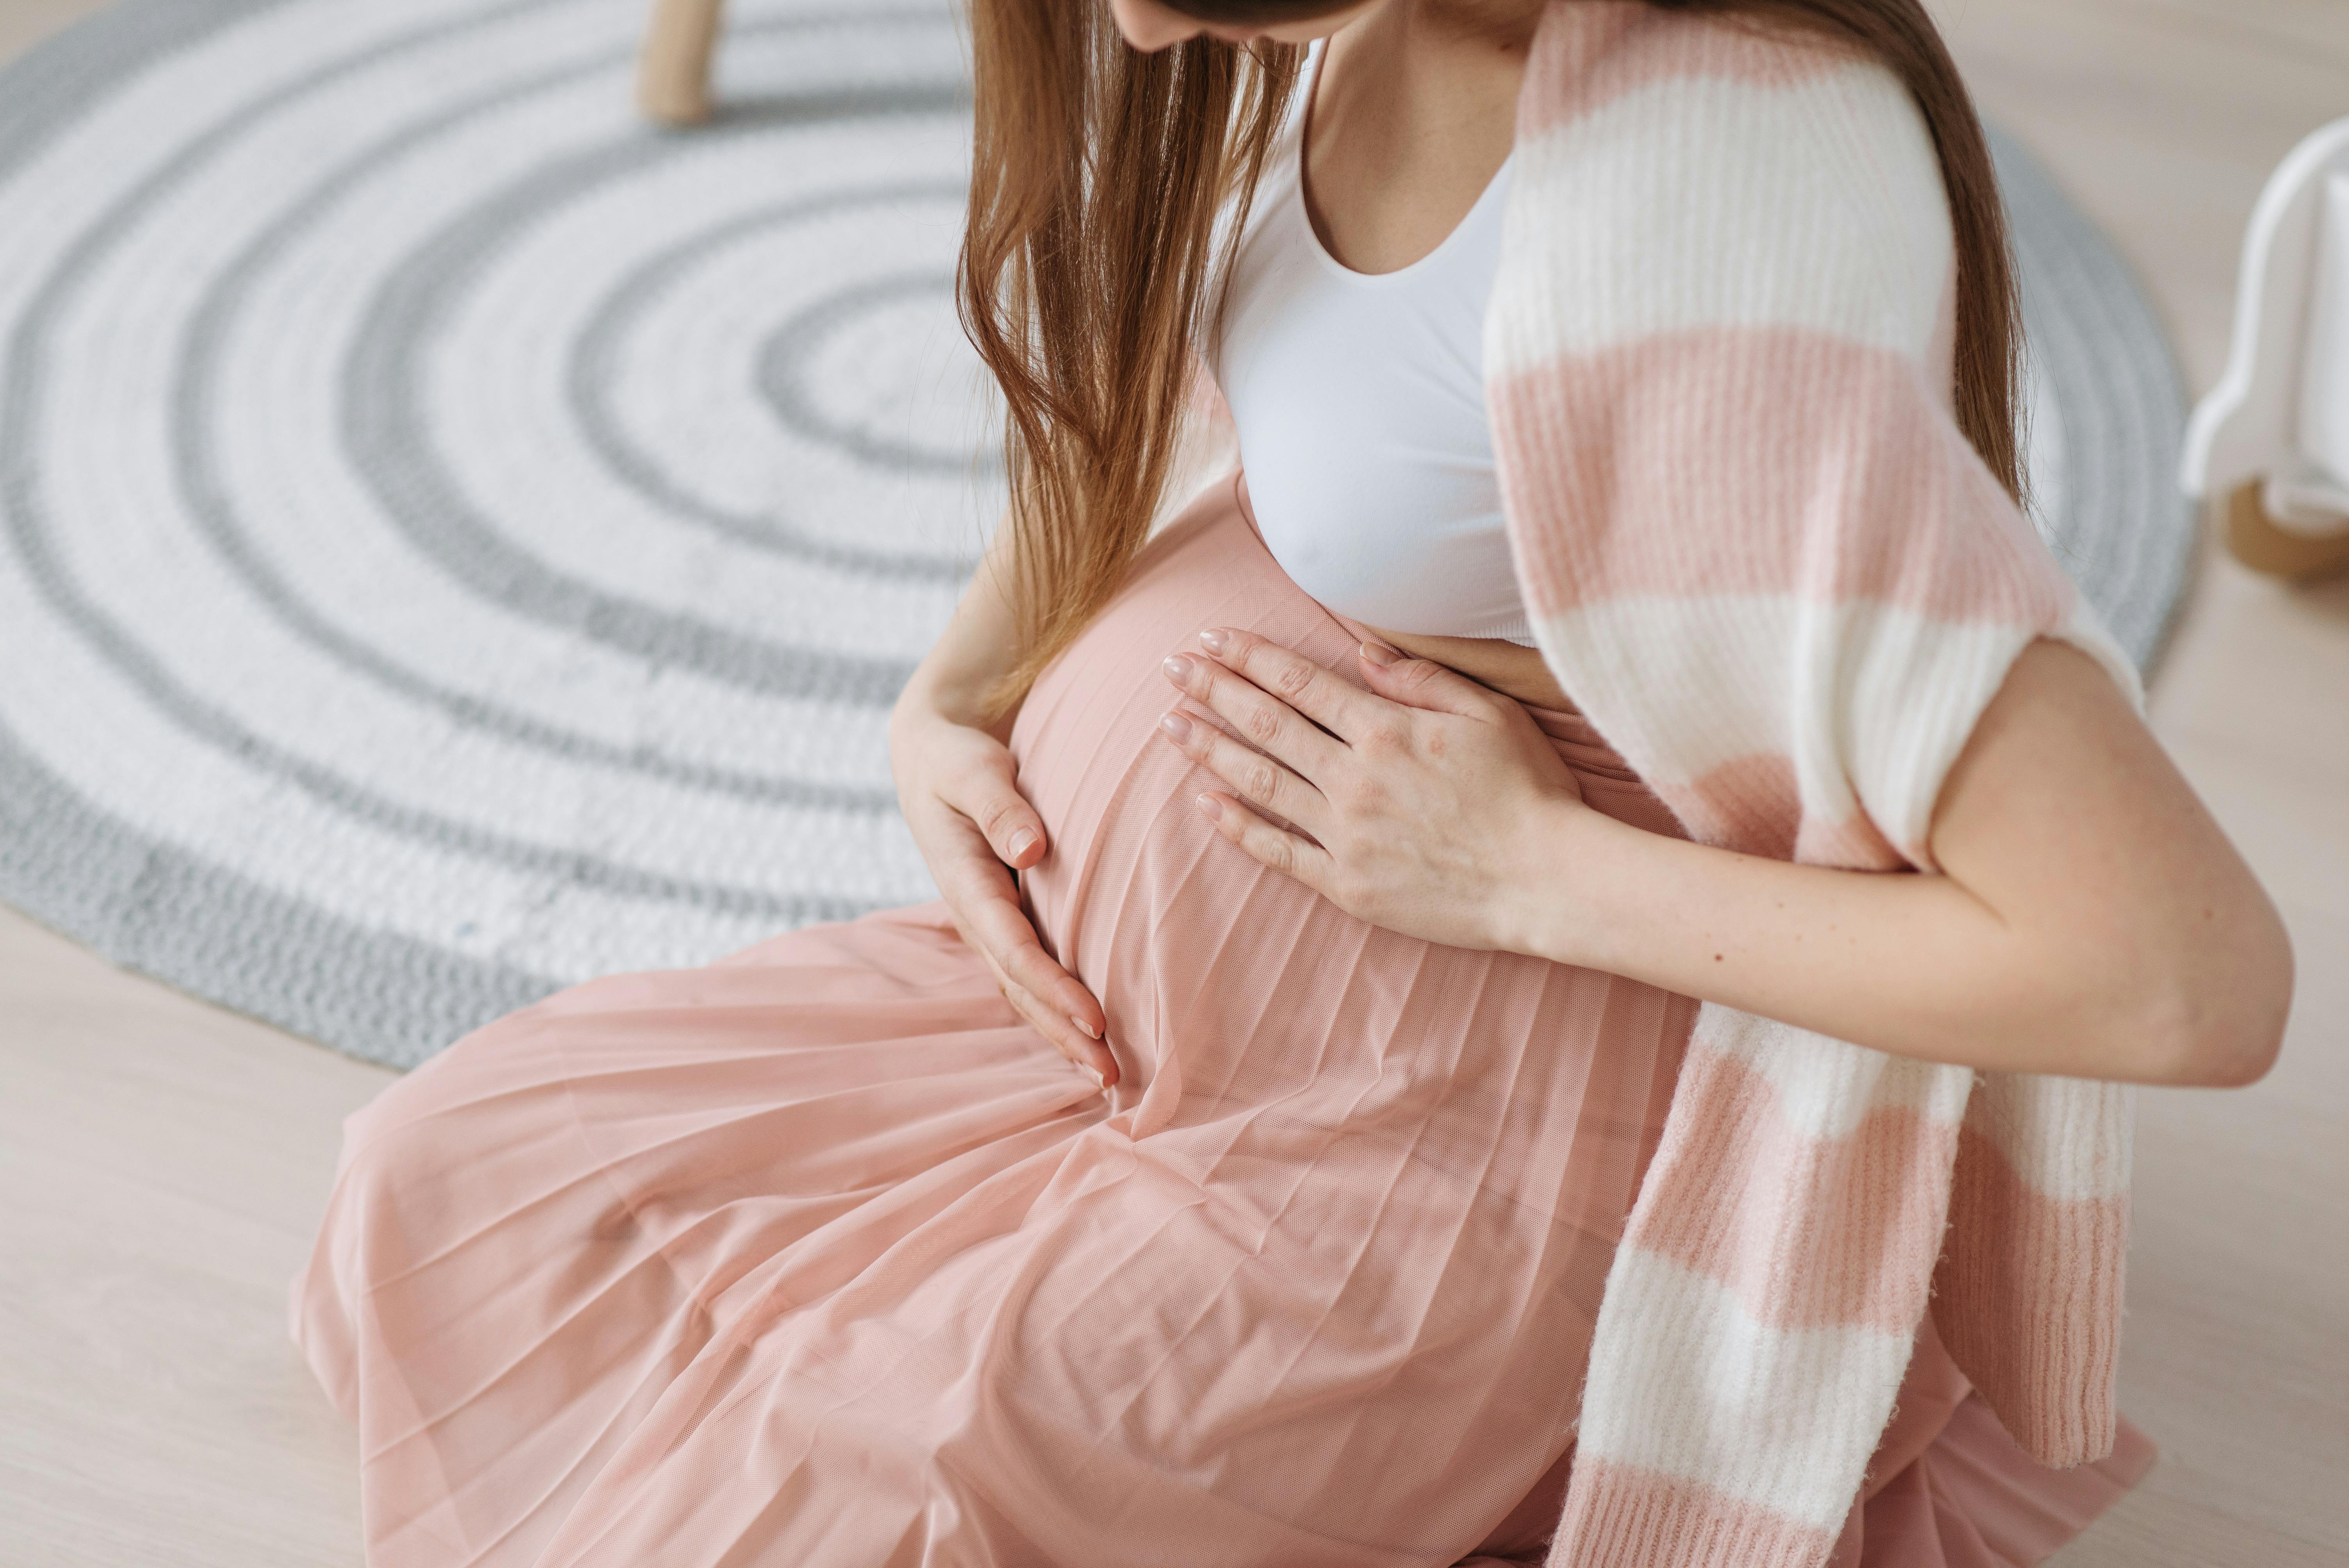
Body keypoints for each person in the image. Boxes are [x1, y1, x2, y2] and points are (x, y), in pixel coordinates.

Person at [290, 0, 2294, 1563]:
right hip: (1124, 1018)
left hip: (1445, 1130)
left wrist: (1524, 874)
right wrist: (953, 695)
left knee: (879, 1488)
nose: (1149, 36)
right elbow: (1301, 410)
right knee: (445, 1184)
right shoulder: (1371, 30)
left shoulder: (1717, 197)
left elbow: (2177, 975)